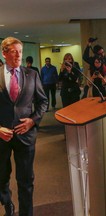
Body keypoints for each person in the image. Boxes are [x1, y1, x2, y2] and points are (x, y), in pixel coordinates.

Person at [0, 37, 48, 216]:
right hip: (1, 137)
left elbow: (43, 102)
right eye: (14, 51)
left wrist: (32, 120)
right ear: (4, 53)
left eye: (20, 51)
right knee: (1, 178)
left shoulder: (32, 74)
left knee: (26, 181)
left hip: (25, 136)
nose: (19, 55)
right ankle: (7, 202)